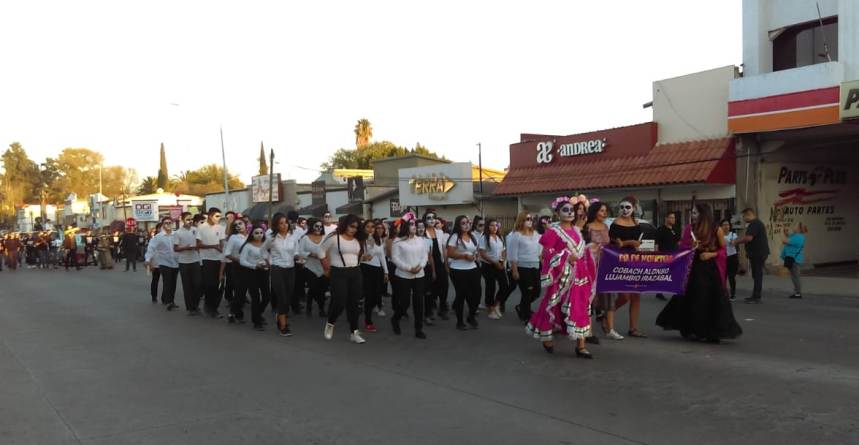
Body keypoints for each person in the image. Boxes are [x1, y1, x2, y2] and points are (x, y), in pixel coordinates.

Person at [656, 204, 742, 343]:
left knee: (711, 299)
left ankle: (711, 332)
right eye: (692, 213)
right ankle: (693, 329)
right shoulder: (689, 229)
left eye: (695, 213)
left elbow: (723, 250)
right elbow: (682, 248)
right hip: (693, 267)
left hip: (710, 268)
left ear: (704, 214)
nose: (693, 215)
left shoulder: (716, 229)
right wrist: (692, 246)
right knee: (694, 297)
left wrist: (710, 254)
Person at [526, 196, 597, 359]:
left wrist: (590, 251)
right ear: (557, 213)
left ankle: (581, 345)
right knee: (553, 305)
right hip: (561, 275)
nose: (570, 213)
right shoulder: (553, 232)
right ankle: (547, 336)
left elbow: (580, 252)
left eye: (571, 210)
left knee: (581, 306)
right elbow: (546, 253)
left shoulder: (577, 231)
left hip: (579, 276)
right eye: (565, 210)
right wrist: (565, 258)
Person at [320, 214, 365, 344]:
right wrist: (326, 267)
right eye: (351, 226)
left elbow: (357, 255)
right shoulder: (335, 238)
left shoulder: (357, 240)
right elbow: (320, 251)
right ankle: (330, 322)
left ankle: (354, 332)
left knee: (354, 304)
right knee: (339, 301)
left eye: (356, 227)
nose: (354, 229)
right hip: (339, 272)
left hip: (355, 272)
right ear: (345, 225)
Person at [608, 196, 645, 339]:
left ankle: (633, 328)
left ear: (634, 208)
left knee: (636, 295)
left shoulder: (637, 223)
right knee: (624, 296)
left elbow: (638, 242)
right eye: (622, 207)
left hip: (635, 261)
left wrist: (637, 245)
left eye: (628, 207)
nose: (624, 210)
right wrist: (629, 242)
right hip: (620, 262)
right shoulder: (616, 224)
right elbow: (613, 244)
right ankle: (607, 314)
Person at [391, 215, 430, 339]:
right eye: (412, 224)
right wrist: (409, 268)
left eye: (415, 224)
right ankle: (395, 318)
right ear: (406, 226)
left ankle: (418, 329)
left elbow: (425, 255)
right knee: (405, 302)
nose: (415, 226)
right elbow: (395, 259)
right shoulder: (397, 241)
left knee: (419, 302)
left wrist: (421, 266)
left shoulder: (421, 240)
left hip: (419, 275)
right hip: (403, 276)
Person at [266, 213, 301, 336]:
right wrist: (269, 262)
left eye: (286, 222)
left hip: (290, 269)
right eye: (281, 223)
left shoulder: (293, 236)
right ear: (276, 224)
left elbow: (296, 250)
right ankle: (283, 326)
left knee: (288, 296)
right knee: (282, 297)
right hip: (277, 269)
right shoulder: (271, 237)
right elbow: (263, 250)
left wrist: (297, 256)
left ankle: (280, 316)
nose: (284, 225)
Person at [446, 215, 481, 330]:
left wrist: (475, 256)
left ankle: (471, 316)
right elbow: (450, 253)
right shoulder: (455, 237)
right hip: (458, 270)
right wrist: (464, 256)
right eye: (463, 223)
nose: (466, 225)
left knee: (476, 295)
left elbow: (475, 250)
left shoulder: (472, 236)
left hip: (473, 268)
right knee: (462, 295)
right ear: (458, 225)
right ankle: (460, 322)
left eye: (468, 222)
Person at [583, 200, 611, 345]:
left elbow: (608, 245)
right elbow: (582, 247)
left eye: (605, 211)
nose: (604, 213)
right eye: (601, 210)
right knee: (589, 298)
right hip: (589, 266)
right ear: (594, 212)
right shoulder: (587, 227)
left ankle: (603, 320)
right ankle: (588, 332)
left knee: (602, 297)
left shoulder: (606, 227)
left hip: (603, 265)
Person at [508, 211, 542, 323]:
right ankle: (526, 315)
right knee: (527, 292)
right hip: (523, 267)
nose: (530, 221)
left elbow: (540, 250)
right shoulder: (516, 235)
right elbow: (513, 254)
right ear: (521, 220)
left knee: (537, 291)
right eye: (527, 219)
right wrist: (514, 270)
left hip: (535, 265)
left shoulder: (536, 234)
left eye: (531, 219)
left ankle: (521, 307)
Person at [239, 225, 271, 331]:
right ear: (252, 234)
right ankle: (256, 321)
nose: (259, 235)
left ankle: (258, 313)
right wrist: (254, 265)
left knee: (267, 296)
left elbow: (270, 257)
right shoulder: (248, 246)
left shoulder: (266, 245)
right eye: (256, 233)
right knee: (255, 297)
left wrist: (268, 264)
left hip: (264, 272)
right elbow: (242, 261)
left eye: (261, 233)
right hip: (252, 273)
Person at [734, 208, 769, 304]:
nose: (743, 219)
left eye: (744, 216)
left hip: (758, 254)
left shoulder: (754, 224)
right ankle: (755, 295)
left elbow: (749, 238)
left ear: (748, 214)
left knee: (757, 274)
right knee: (756, 274)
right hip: (758, 253)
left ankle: (757, 297)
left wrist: (736, 241)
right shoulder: (756, 223)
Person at [360, 219, 388, 333]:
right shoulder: (361, 240)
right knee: (369, 296)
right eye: (368, 227)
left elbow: (381, 257)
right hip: (365, 269)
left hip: (377, 270)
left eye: (373, 227)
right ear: (364, 228)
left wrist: (386, 271)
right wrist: (369, 240)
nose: (371, 229)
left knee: (376, 296)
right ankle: (368, 320)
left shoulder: (379, 240)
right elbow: (368, 255)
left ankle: (365, 309)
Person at [196, 208, 226, 317]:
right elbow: (198, 245)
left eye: (219, 216)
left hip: (219, 259)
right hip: (207, 259)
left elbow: (222, 243)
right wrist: (212, 246)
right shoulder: (201, 227)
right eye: (216, 216)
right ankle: (209, 307)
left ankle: (214, 308)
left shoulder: (221, 228)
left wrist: (223, 253)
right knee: (210, 285)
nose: (218, 219)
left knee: (220, 284)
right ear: (210, 216)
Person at [145, 217, 179, 311]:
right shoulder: (158, 237)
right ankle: (168, 301)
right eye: (166, 223)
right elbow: (151, 248)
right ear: (163, 224)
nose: (168, 224)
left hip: (175, 263)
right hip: (164, 263)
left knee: (173, 283)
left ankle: (171, 300)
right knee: (167, 282)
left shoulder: (176, 234)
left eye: (169, 222)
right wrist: (148, 259)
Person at [479, 218, 509, 320]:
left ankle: (497, 303)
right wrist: (494, 262)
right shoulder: (484, 237)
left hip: (500, 264)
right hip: (488, 265)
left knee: (505, 285)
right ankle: (490, 307)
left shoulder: (500, 237)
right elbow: (482, 253)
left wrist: (503, 260)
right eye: (492, 225)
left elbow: (504, 250)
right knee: (490, 286)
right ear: (488, 226)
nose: (494, 227)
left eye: (496, 225)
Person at [174, 212, 203, 315]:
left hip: (195, 260)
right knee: (187, 285)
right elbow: (176, 248)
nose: (190, 221)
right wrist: (185, 247)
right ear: (182, 220)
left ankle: (196, 305)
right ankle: (190, 308)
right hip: (184, 262)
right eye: (187, 219)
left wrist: (197, 246)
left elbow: (200, 243)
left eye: (191, 219)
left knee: (198, 284)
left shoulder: (196, 230)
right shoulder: (178, 233)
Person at [423, 210, 449, 320]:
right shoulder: (423, 233)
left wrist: (446, 265)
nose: (432, 220)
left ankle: (442, 308)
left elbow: (444, 249)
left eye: (433, 218)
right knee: (430, 287)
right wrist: (433, 270)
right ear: (424, 221)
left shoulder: (440, 232)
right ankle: (429, 311)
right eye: (429, 218)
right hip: (428, 264)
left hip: (440, 263)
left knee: (445, 285)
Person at [299, 218, 328, 317]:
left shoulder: (325, 238)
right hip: (309, 267)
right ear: (312, 227)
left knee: (322, 289)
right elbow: (300, 252)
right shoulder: (305, 238)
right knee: (314, 287)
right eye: (316, 226)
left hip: (323, 267)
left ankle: (320, 308)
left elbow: (329, 250)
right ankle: (312, 306)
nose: (318, 228)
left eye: (320, 226)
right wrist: (310, 254)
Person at [223, 219, 248, 323]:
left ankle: (234, 312)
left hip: (250, 267)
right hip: (237, 267)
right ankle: (236, 313)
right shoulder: (233, 237)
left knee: (244, 293)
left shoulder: (251, 236)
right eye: (236, 225)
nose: (238, 226)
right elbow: (227, 254)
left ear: (245, 224)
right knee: (239, 292)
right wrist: (238, 259)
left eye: (240, 223)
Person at [654, 212, 681, 301]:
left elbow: (678, 242)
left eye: (674, 218)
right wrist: (657, 255)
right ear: (666, 218)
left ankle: (676, 291)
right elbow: (656, 244)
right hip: (664, 256)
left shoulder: (675, 229)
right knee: (663, 274)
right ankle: (659, 292)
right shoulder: (660, 230)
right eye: (671, 217)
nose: (673, 219)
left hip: (674, 255)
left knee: (675, 273)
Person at [781, 222, 807, 299]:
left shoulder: (799, 237)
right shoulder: (796, 236)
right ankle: (797, 292)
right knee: (794, 276)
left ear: (799, 229)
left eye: (795, 226)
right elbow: (789, 236)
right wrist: (785, 232)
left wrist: (783, 236)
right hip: (793, 259)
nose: (793, 227)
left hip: (794, 260)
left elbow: (785, 241)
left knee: (795, 276)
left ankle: (798, 293)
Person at [722, 219, 739, 301]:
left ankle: (733, 294)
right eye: (724, 225)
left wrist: (733, 242)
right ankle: (723, 293)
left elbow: (735, 243)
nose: (726, 226)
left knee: (731, 277)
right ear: (721, 226)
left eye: (727, 225)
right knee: (723, 276)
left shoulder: (733, 235)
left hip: (732, 257)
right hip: (723, 257)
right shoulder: (719, 235)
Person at [147, 222, 164, 303]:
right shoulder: (154, 239)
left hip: (166, 264)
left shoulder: (169, 237)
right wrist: (149, 262)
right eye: (161, 228)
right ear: (157, 229)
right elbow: (150, 251)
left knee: (167, 282)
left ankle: (166, 298)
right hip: (156, 263)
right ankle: (154, 296)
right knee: (155, 280)